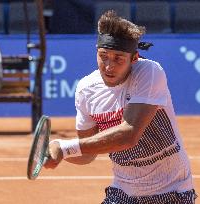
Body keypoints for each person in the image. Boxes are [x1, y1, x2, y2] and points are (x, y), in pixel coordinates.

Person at [44, 10, 197, 203]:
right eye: (103, 56)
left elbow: (129, 135)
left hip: (171, 191)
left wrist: (64, 147)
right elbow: (86, 154)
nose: (109, 66)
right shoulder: (86, 90)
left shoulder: (149, 72)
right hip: (123, 193)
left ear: (134, 59)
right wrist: (52, 153)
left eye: (118, 58)